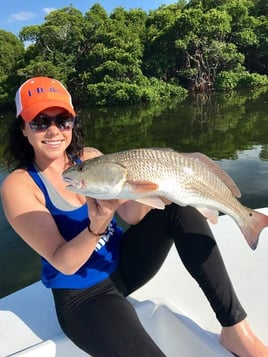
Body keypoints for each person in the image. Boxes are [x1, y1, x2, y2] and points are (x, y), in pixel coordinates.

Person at [1, 76, 267, 357]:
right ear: (23, 128)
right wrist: (97, 224)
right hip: (84, 296)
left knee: (180, 207)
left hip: (124, 268)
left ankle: (235, 328)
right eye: (40, 122)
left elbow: (132, 215)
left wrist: (158, 191)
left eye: (63, 119)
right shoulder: (20, 186)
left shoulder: (90, 157)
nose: (54, 130)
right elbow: (63, 263)